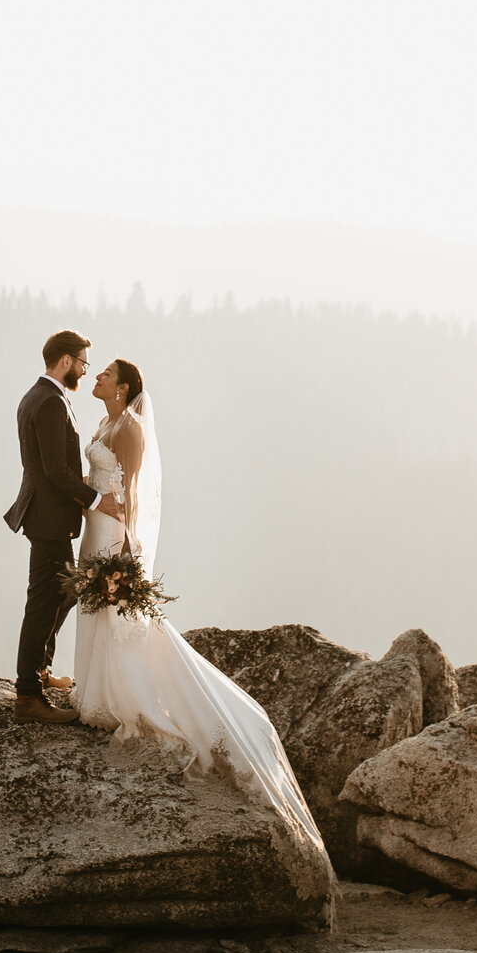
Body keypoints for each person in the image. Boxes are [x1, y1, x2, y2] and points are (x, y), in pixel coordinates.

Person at [66, 357, 325, 851]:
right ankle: (92, 689)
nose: (96, 378)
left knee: (121, 615)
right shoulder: (106, 420)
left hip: (113, 531)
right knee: (94, 609)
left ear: (122, 388)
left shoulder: (132, 429)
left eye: (104, 375)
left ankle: (131, 700)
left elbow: (134, 494)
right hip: (94, 527)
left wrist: (128, 553)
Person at [1, 329, 117, 724]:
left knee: (63, 594)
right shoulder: (50, 401)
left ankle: (41, 672)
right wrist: (99, 500)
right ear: (65, 361)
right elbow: (54, 470)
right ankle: (28, 696)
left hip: (46, 515)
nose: (84, 371)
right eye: (83, 363)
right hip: (48, 518)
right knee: (43, 602)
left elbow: (52, 466)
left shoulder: (39, 395)